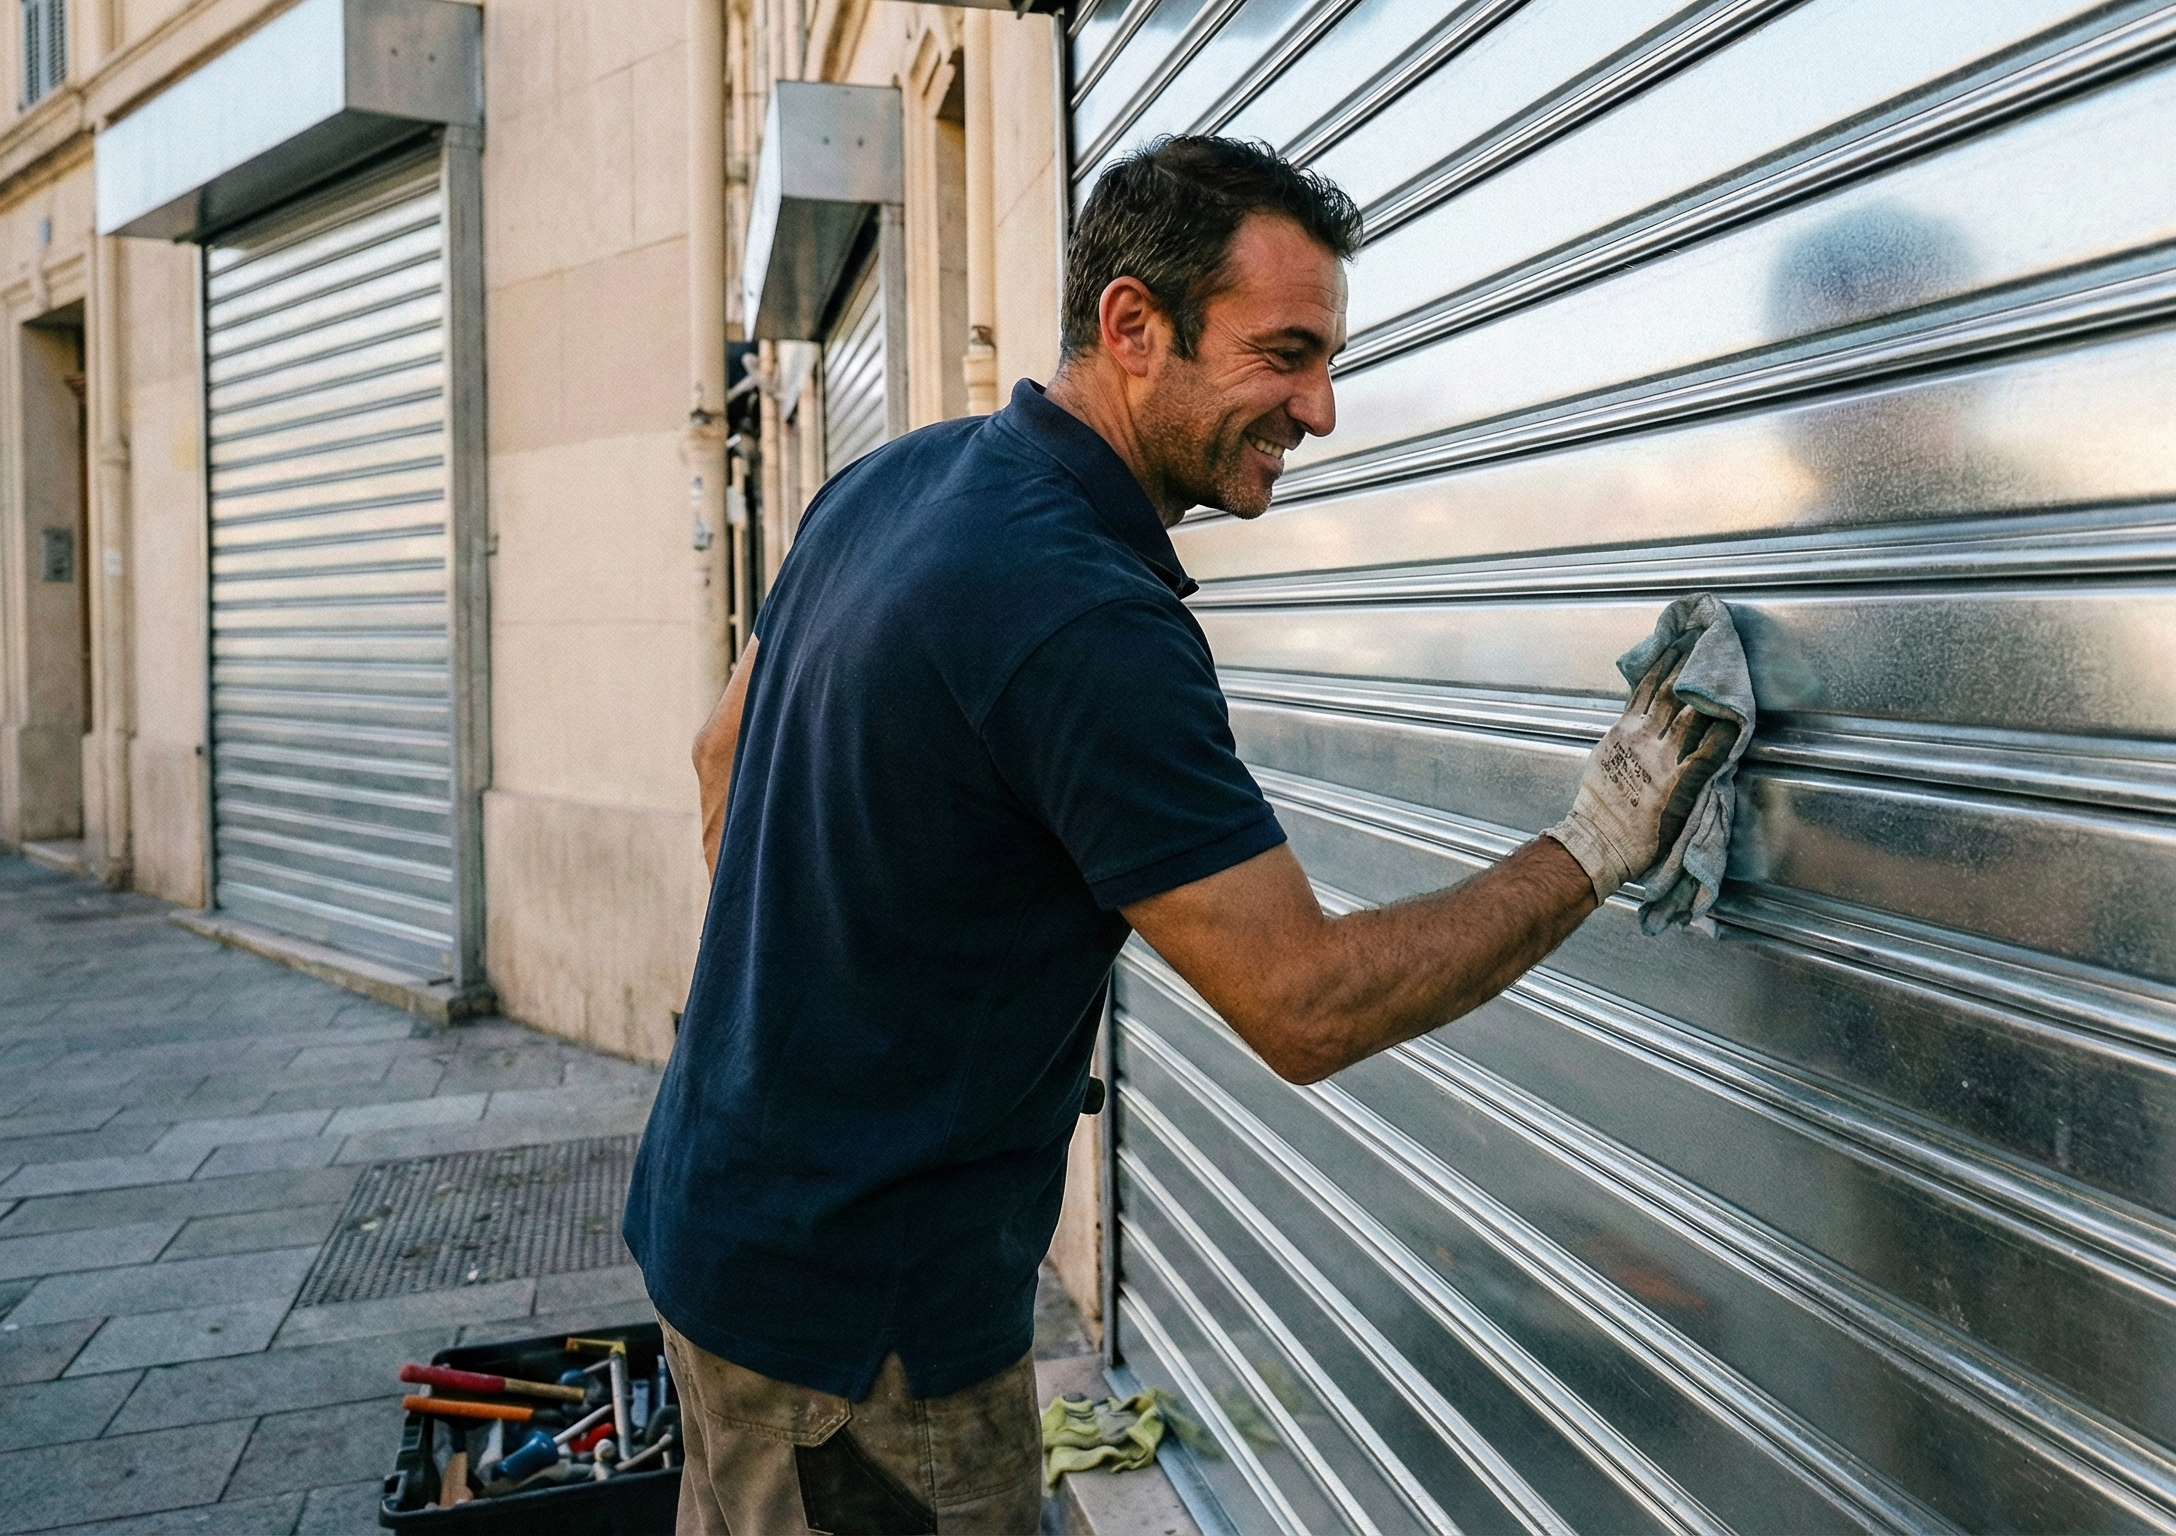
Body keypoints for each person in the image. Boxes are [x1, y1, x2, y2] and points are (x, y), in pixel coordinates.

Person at [624, 135, 1734, 1535]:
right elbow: (1304, 1006)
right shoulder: (1081, 615)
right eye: (1283, 354)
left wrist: (837, 998)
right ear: (1132, 327)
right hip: (863, 1344)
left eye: (1328, 357)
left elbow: (721, 752)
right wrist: (1595, 839)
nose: (1320, 408)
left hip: (722, 1231)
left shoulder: (894, 484)